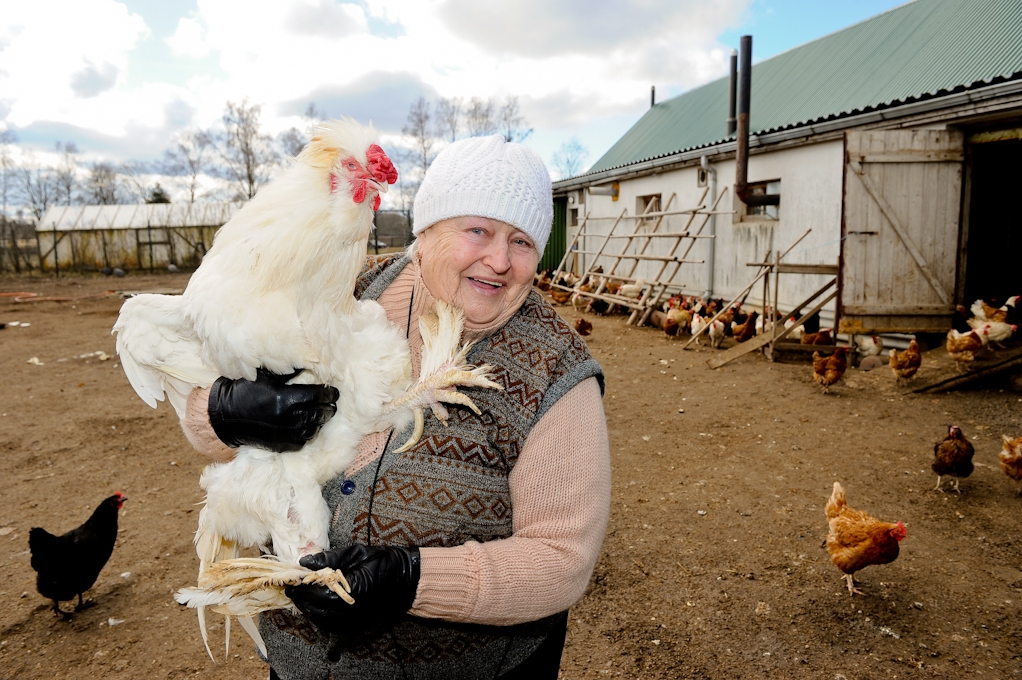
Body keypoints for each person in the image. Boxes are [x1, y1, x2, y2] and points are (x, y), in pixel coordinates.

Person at [180, 134, 611, 679]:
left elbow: (560, 561)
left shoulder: (554, 371)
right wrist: (221, 413)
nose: (500, 260)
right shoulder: (344, 289)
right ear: (424, 234)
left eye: (522, 241)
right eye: (477, 230)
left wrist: (411, 580)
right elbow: (200, 409)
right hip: (302, 662)